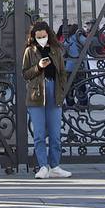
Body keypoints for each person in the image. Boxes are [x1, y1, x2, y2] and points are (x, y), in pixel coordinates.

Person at [22, 20, 72, 179]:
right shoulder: (30, 51)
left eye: (43, 36)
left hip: (54, 91)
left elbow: (63, 73)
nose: (41, 39)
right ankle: (43, 166)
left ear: (48, 35)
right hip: (36, 94)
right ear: (33, 37)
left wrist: (62, 89)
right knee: (39, 133)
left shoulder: (56, 50)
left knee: (55, 133)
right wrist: (39, 66)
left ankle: (55, 165)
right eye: (38, 37)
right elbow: (25, 74)